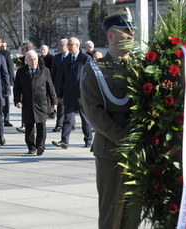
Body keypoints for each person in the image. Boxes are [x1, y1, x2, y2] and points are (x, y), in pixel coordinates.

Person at [80, 10, 139, 229]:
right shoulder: (95, 70)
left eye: (132, 32)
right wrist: (125, 140)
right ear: (110, 36)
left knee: (134, 214)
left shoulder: (141, 67)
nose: (131, 36)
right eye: (125, 32)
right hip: (111, 150)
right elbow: (94, 112)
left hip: (138, 150)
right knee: (112, 214)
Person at [51, 37, 93, 149]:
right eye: (68, 44)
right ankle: (64, 141)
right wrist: (59, 94)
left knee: (85, 119)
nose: (68, 46)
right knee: (67, 118)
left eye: (71, 44)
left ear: (77, 45)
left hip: (82, 94)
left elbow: (90, 77)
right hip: (68, 94)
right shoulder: (65, 59)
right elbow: (61, 77)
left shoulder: (85, 58)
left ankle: (88, 140)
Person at [14, 50, 57, 156]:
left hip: (41, 102)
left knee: (41, 124)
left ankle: (41, 145)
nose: (33, 62)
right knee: (29, 125)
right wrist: (17, 101)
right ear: (26, 61)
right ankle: (31, 147)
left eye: (35, 59)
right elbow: (17, 89)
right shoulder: (21, 72)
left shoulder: (45, 71)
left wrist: (54, 102)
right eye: (31, 60)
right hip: (27, 102)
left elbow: (50, 87)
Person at [0, 35, 15, 127]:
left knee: (5, 101)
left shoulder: (6, 54)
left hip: (3, 82)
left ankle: (6, 119)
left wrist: (10, 83)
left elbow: (10, 69)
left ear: (1, 43)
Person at [50, 39, 69, 132]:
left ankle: (70, 124)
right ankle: (59, 125)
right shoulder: (56, 57)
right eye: (60, 45)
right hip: (59, 85)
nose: (61, 47)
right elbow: (53, 72)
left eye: (63, 45)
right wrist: (51, 85)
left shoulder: (72, 56)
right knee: (60, 105)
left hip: (69, 85)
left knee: (70, 106)